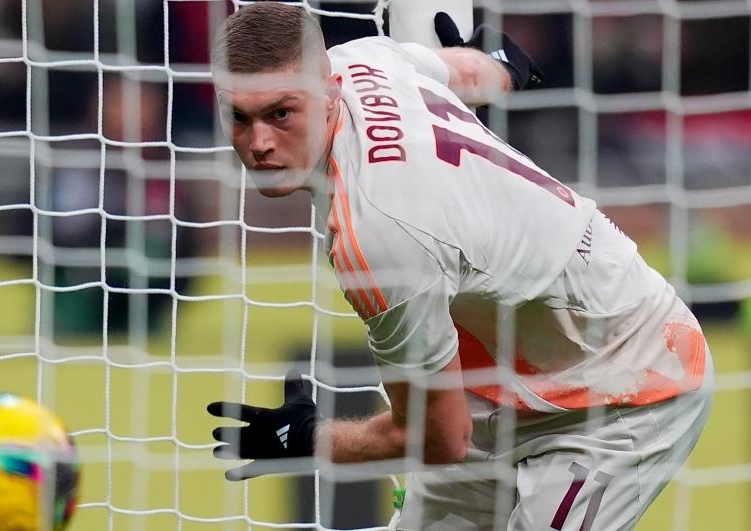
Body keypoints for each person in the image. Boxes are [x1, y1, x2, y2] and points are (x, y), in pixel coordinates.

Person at [205, 3, 713, 530]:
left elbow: (438, 439)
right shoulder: (365, 57)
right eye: (239, 117)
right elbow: (475, 69)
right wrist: (505, 67)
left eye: (281, 113)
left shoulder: (380, 232)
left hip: (627, 383)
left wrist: (310, 439)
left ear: (330, 92)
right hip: (502, 385)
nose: (259, 143)